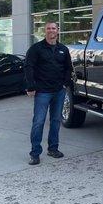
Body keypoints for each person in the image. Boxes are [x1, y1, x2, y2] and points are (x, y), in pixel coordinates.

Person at [24, 22, 73, 165]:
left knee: (56, 121)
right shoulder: (36, 49)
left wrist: (65, 83)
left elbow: (68, 68)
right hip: (42, 91)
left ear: (58, 31)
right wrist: (30, 86)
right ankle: (35, 153)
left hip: (59, 91)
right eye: (48, 28)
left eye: (54, 28)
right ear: (44, 31)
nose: (51, 30)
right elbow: (28, 67)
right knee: (38, 122)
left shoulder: (63, 49)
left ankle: (53, 149)